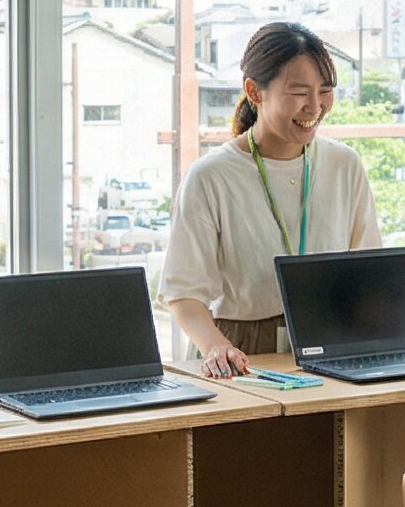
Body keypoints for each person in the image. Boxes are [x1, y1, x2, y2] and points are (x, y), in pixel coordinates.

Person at [160, 21, 381, 379]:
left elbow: (369, 268)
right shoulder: (211, 176)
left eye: (325, 90)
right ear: (254, 91)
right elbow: (183, 293)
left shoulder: (344, 163)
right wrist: (216, 346)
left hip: (331, 343)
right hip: (241, 350)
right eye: (298, 92)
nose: (315, 105)